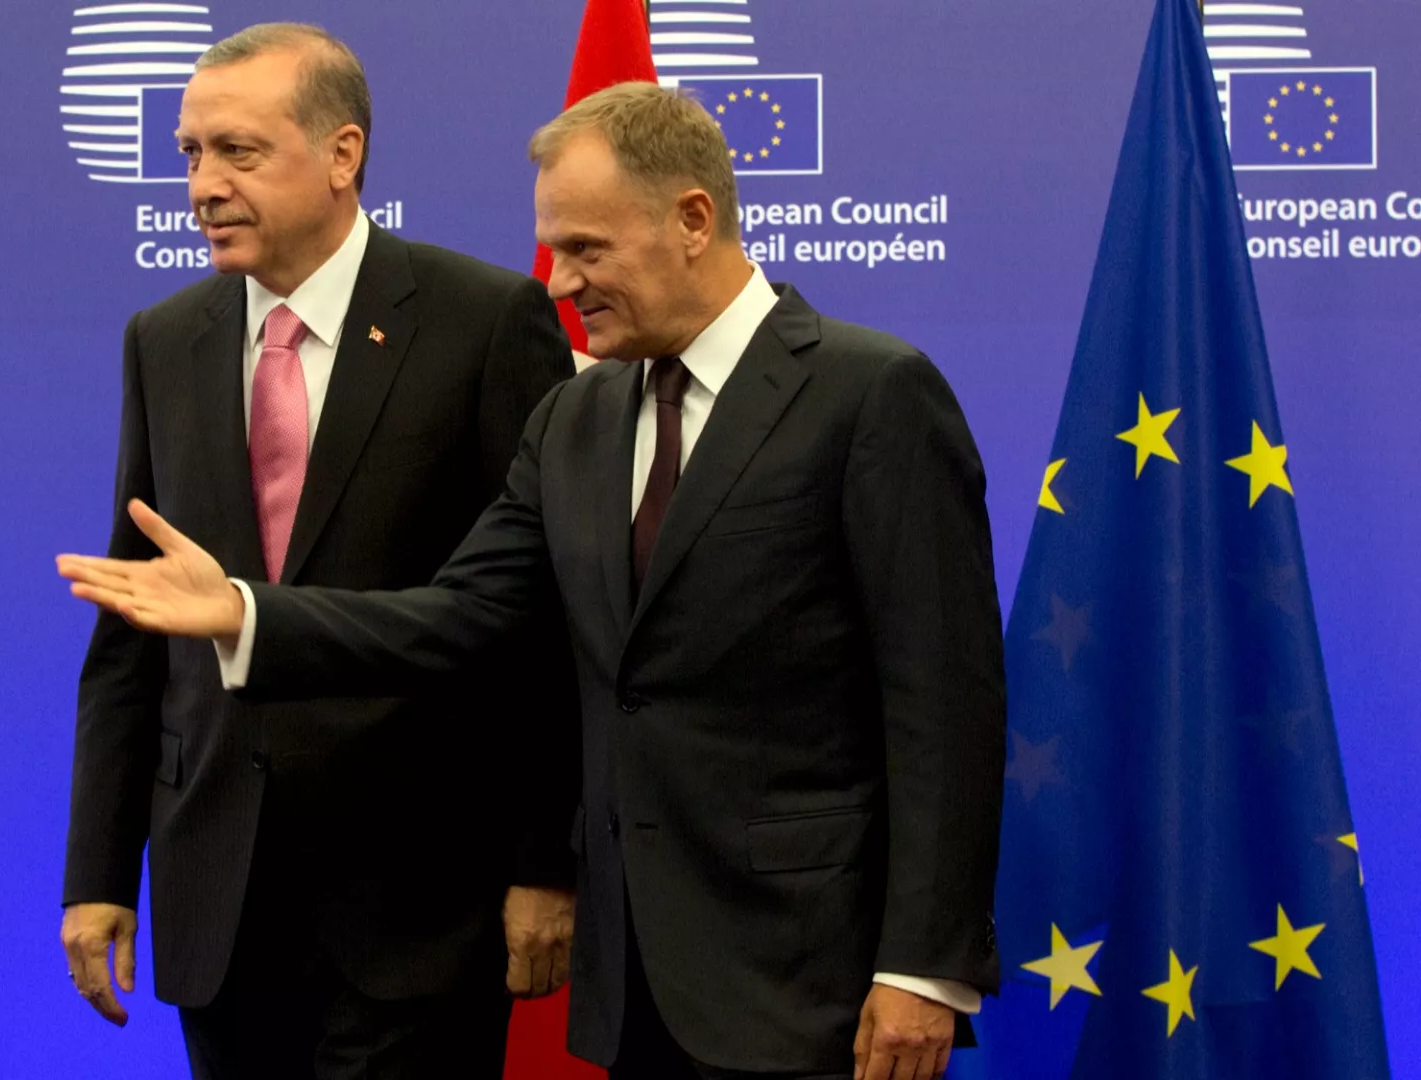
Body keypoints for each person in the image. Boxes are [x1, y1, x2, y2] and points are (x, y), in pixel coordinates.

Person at [60, 81, 1006, 1080]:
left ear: (693, 221)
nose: (558, 284)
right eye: (553, 249)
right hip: (636, 984)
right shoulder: (576, 419)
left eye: (587, 249)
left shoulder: (871, 393)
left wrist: (925, 966)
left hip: (817, 980)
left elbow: (944, 706)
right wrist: (247, 615)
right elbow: (460, 615)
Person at [58, 23, 580, 1080]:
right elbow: (134, 629)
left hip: (419, 896)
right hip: (220, 892)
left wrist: (545, 862)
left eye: (238, 152)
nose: (203, 186)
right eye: (190, 153)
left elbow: (538, 621)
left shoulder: (484, 321)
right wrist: (99, 872)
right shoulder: (164, 338)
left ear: (343, 154)